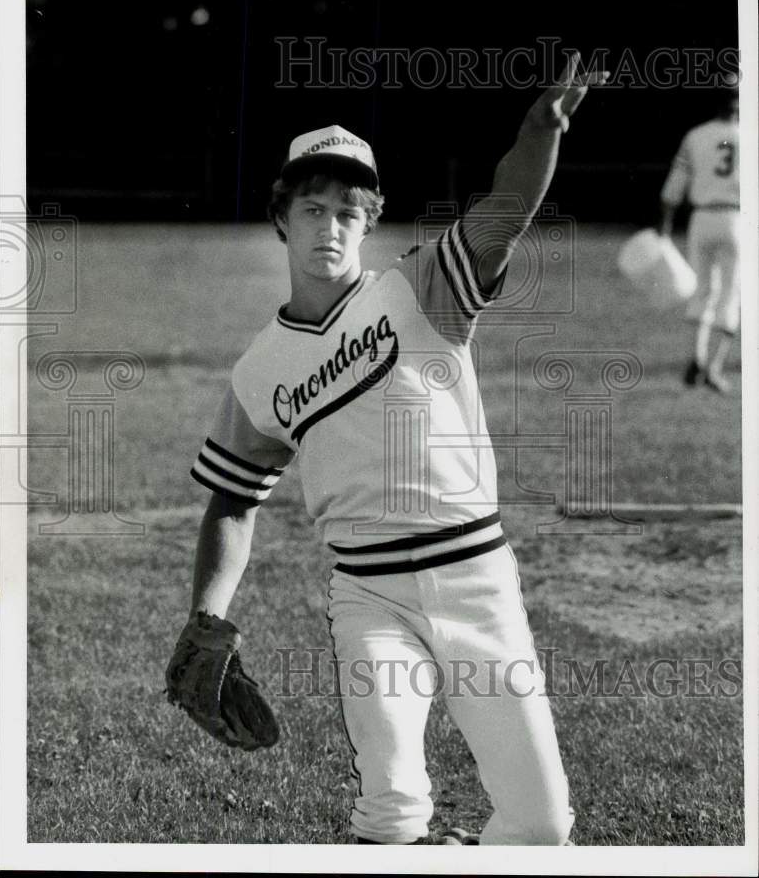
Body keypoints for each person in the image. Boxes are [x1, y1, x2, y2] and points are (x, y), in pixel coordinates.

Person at [182, 53, 605, 845]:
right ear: (282, 216)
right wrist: (206, 618)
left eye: (349, 210)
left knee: (542, 827)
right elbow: (233, 501)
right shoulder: (258, 370)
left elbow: (505, 207)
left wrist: (539, 132)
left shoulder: (422, 288)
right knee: (392, 809)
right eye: (313, 207)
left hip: (477, 579)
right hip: (369, 598)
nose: (330, 226)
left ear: (370, 221)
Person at [659, 80, 740, 393]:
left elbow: (672, 188)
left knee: (703, 289)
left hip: (701, 218)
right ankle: (715, 367)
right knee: (731, 292)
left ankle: (697, 358)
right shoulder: (748, 134)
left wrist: (665, 224)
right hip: (736, 217)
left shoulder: (696, 135)